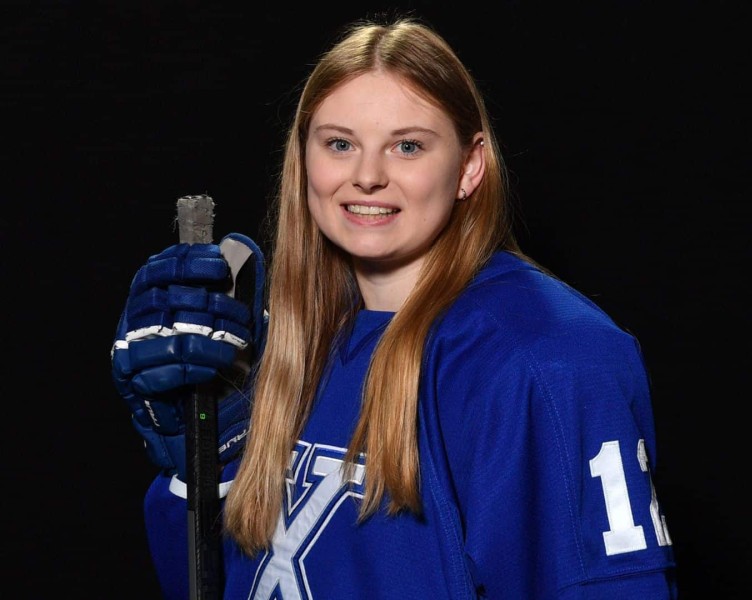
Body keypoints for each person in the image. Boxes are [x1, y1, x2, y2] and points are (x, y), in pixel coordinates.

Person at [111, 14, 678, 599]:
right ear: (304, 158)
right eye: (340, 144)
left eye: (407, 146)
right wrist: (201, 466)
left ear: (469, 165)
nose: (367, 177)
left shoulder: (547, 359)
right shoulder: (290, 348)